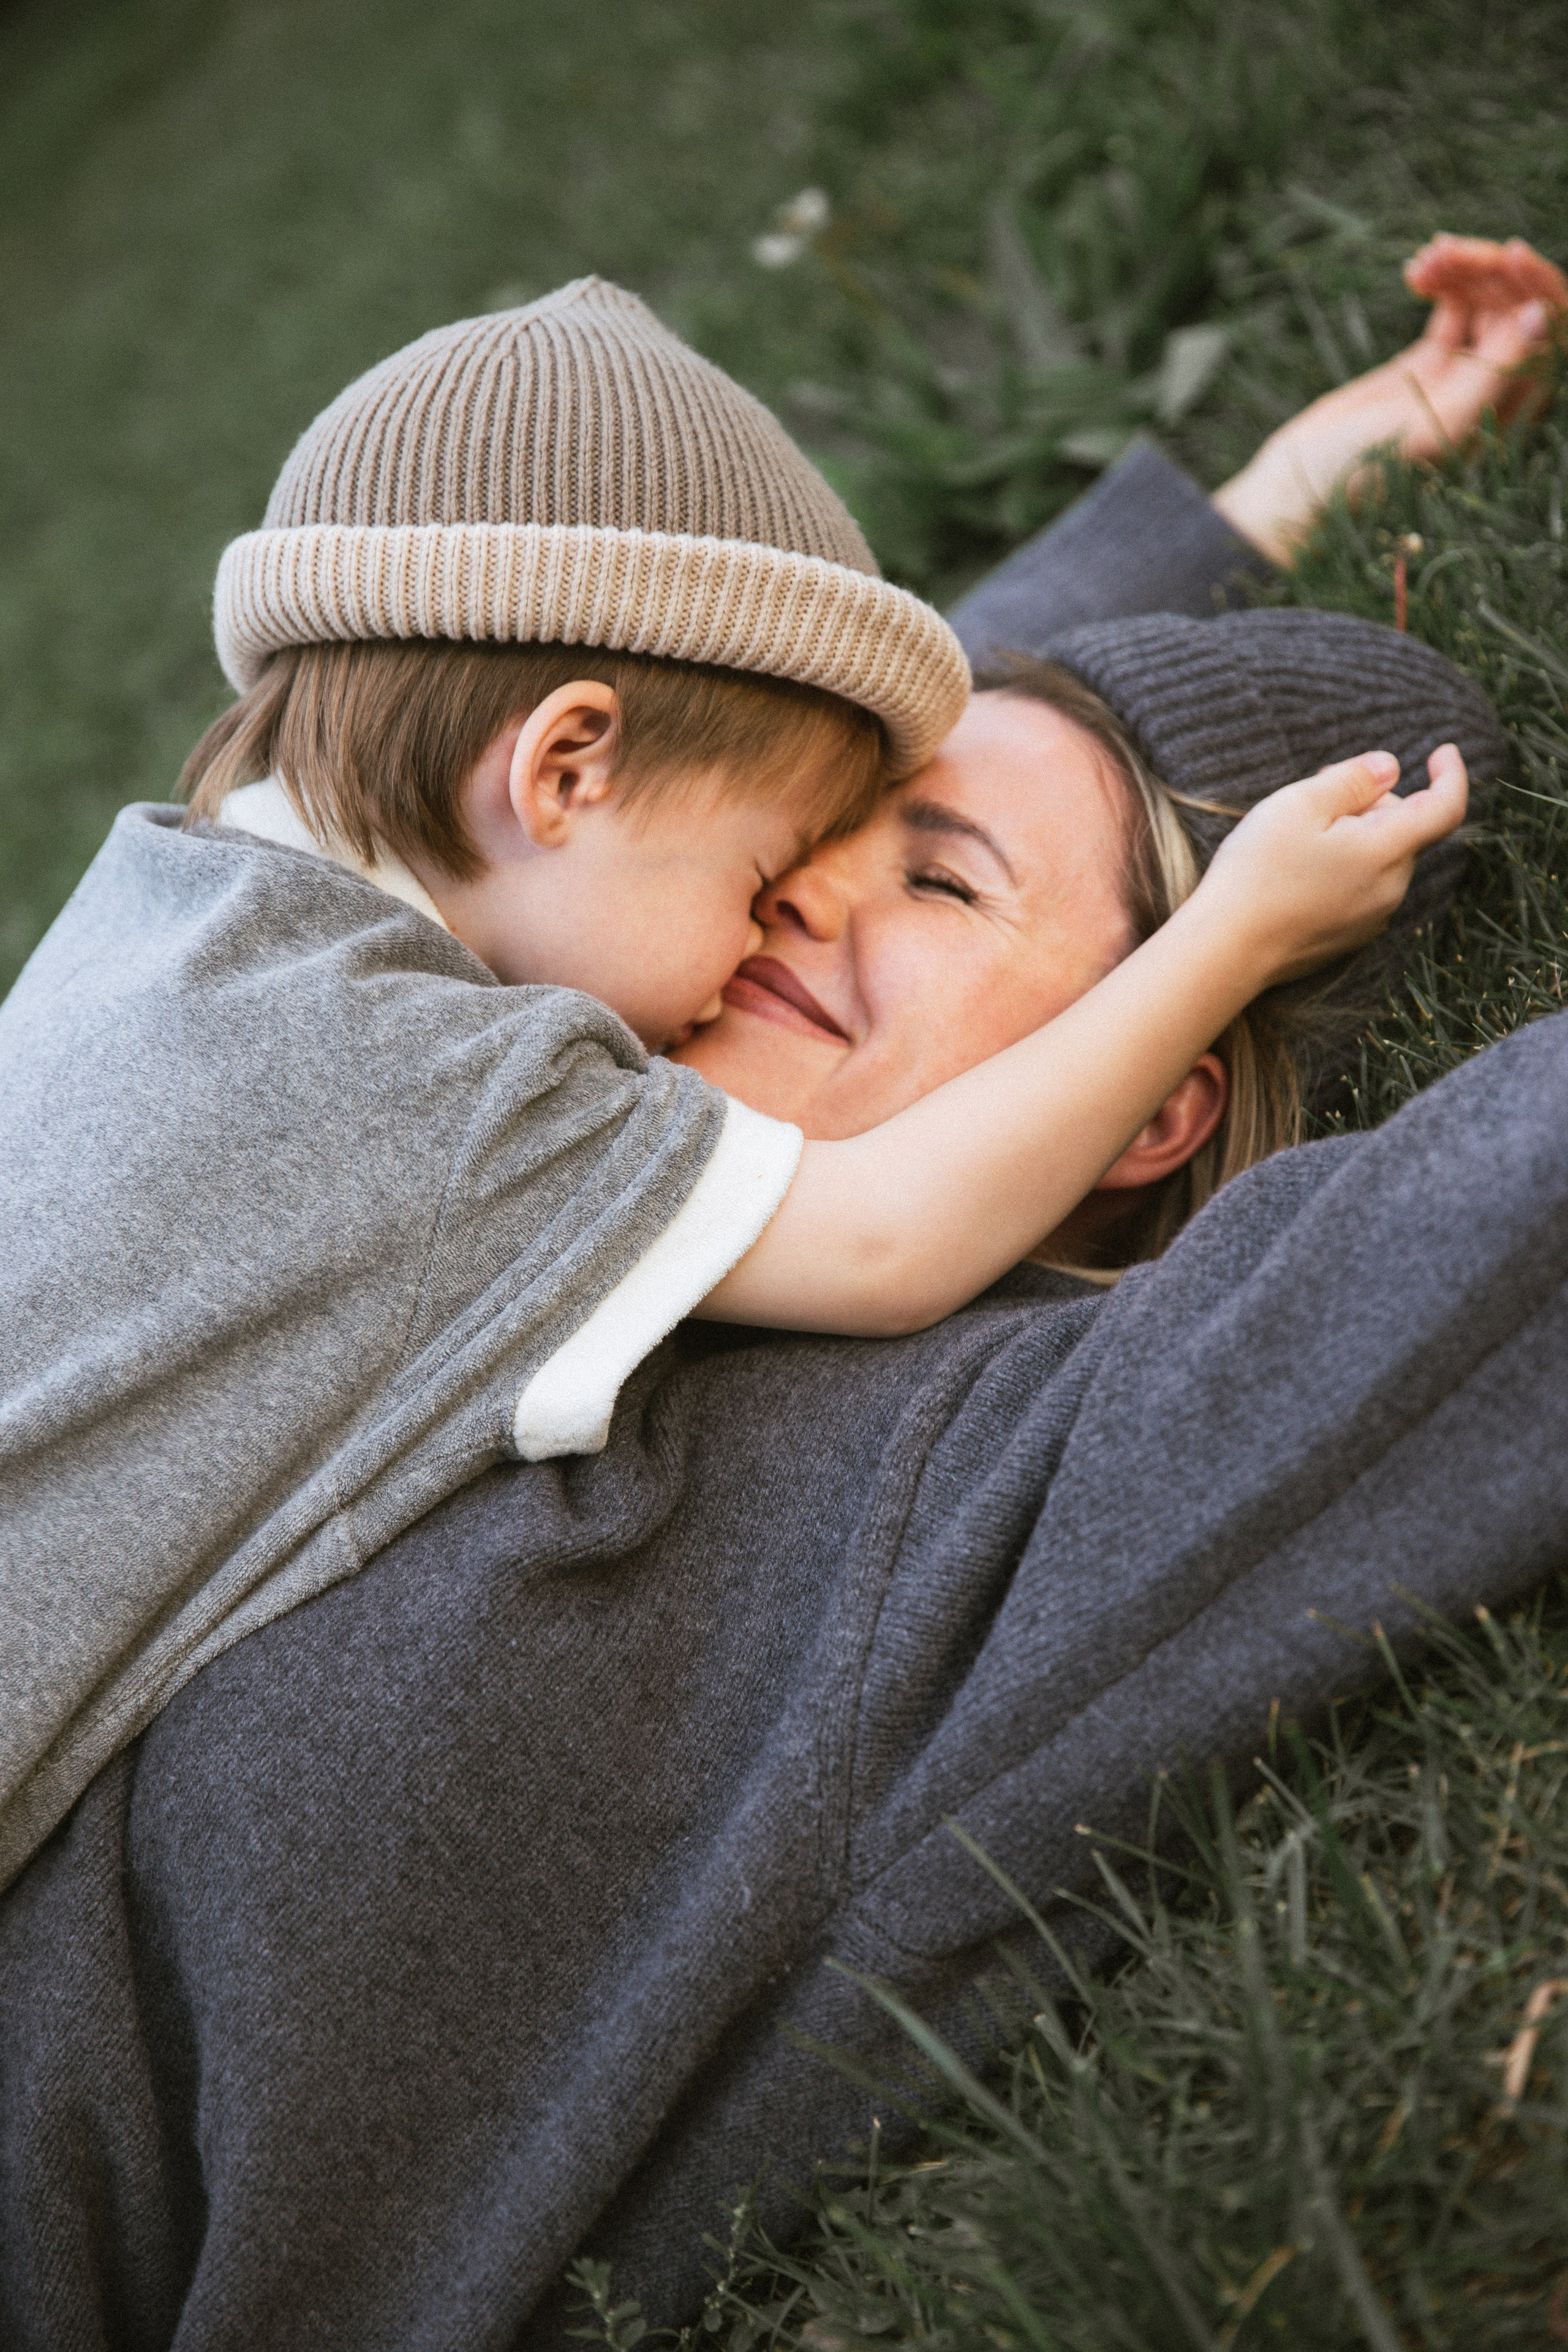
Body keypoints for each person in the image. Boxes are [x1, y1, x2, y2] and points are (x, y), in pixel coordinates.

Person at [1, 236, 1562, 2352]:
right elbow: (643, 777)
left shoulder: (940, 1478)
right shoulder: (488, 1035)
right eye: (809, 839)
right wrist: (1237, 510)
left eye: (927, 875)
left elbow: (1470, 1246)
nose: (798, 896)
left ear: (1144, 1119)